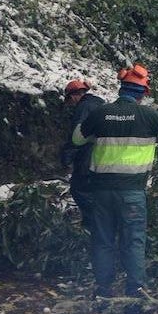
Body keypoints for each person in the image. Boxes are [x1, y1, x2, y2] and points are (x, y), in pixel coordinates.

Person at [71, 63, 158, 301]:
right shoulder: (150, 116)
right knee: (133, 241)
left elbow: (77, 139)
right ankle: (134, 293)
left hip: (100, 191)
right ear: (143, 93)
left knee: (102, 240)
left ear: (121, 88)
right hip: (132, 192)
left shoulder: (100, 113)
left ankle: (103, 291)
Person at [60, 79, 105, 229]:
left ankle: (93, 224)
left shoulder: (84, 108)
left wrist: (66, 157)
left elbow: (77, 135)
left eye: (70, 100)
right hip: (104, 154)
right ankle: (97, 222)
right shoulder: (100, 105)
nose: (71, 104)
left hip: (88, 152)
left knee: (78, 188)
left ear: (74, 96)